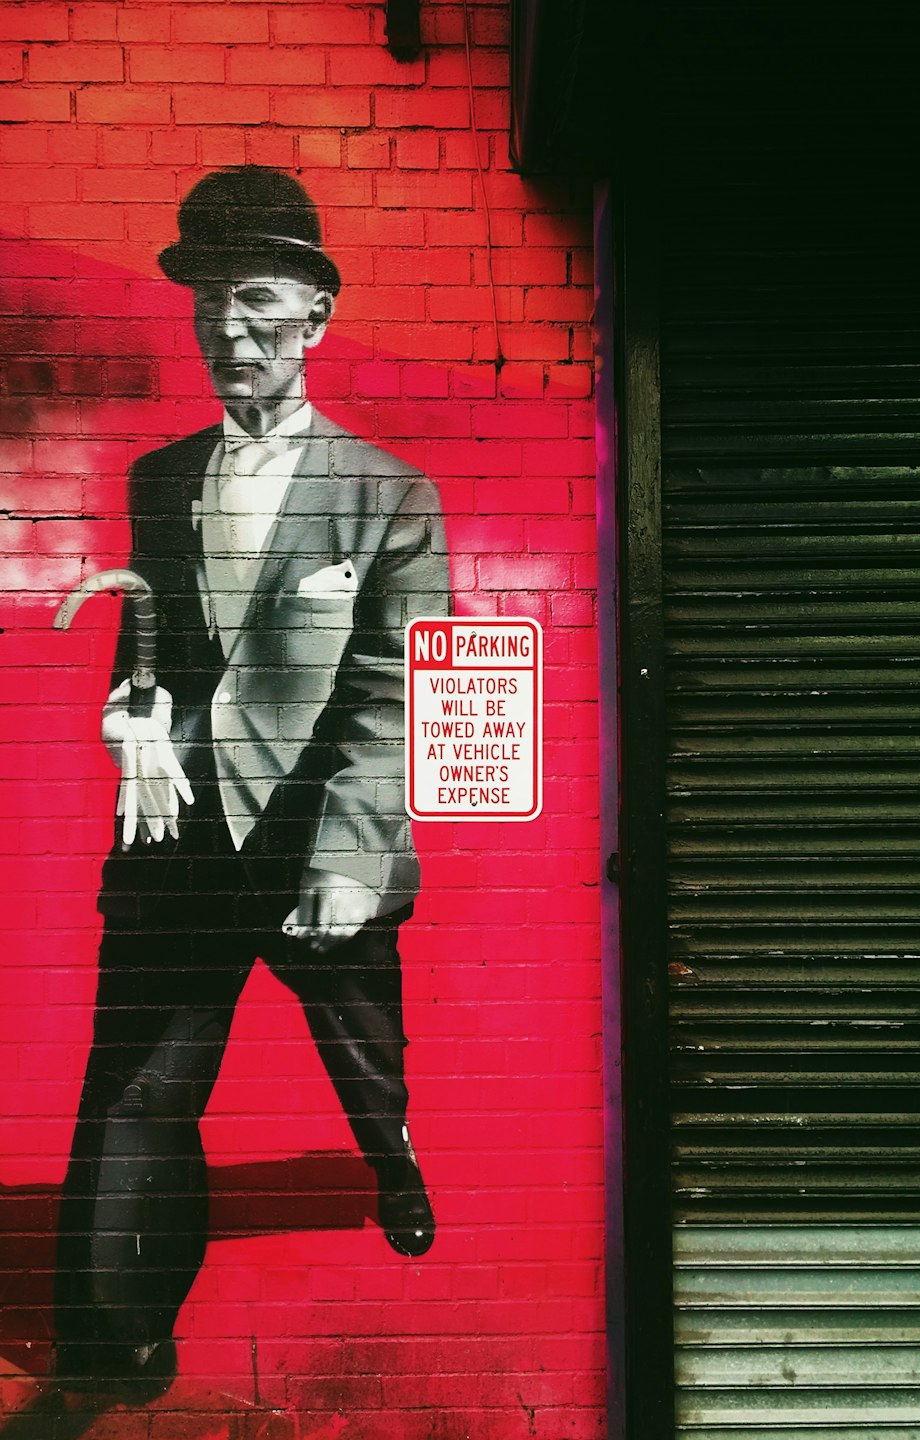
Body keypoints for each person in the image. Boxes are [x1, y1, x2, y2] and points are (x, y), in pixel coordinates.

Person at [52, 166, 450, 1397]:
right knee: (138, 1089)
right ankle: (116, 1336)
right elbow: (153, 646)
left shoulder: (391, 497)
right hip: (178, 844)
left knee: (365, 1060)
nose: (231, 329)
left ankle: (390, 1158)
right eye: (210, 302)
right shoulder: (160, 481)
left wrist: (343, 861)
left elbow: (397, 700)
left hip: (314, 834)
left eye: (260, 299)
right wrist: (133, 720)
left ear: (316, 317)